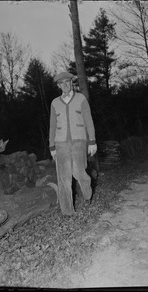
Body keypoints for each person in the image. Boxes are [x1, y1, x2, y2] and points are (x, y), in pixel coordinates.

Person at [49, 71, 97, 216]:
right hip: (60, 143)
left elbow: (89, 121)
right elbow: (52, 125)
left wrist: (92, 142)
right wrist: (52, 146)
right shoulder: (55, 103)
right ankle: (68, 211)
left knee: (80, 172)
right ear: (58, 85)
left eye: (67, 82)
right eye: (61, 83)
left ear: (71, 83)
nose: (65, 85)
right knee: (64, 178)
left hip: (79, 141)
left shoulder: (81, 99)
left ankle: (87, 193)